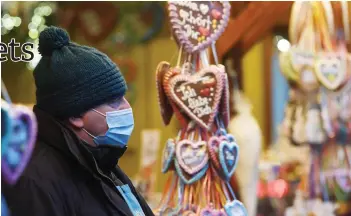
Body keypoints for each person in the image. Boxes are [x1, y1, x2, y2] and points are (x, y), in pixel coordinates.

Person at [3, 26, 154, 216]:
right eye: (114, 102)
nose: (127, 107)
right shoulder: (36, 181)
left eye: (123, 97)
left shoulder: (101, 162)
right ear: (75, 116)